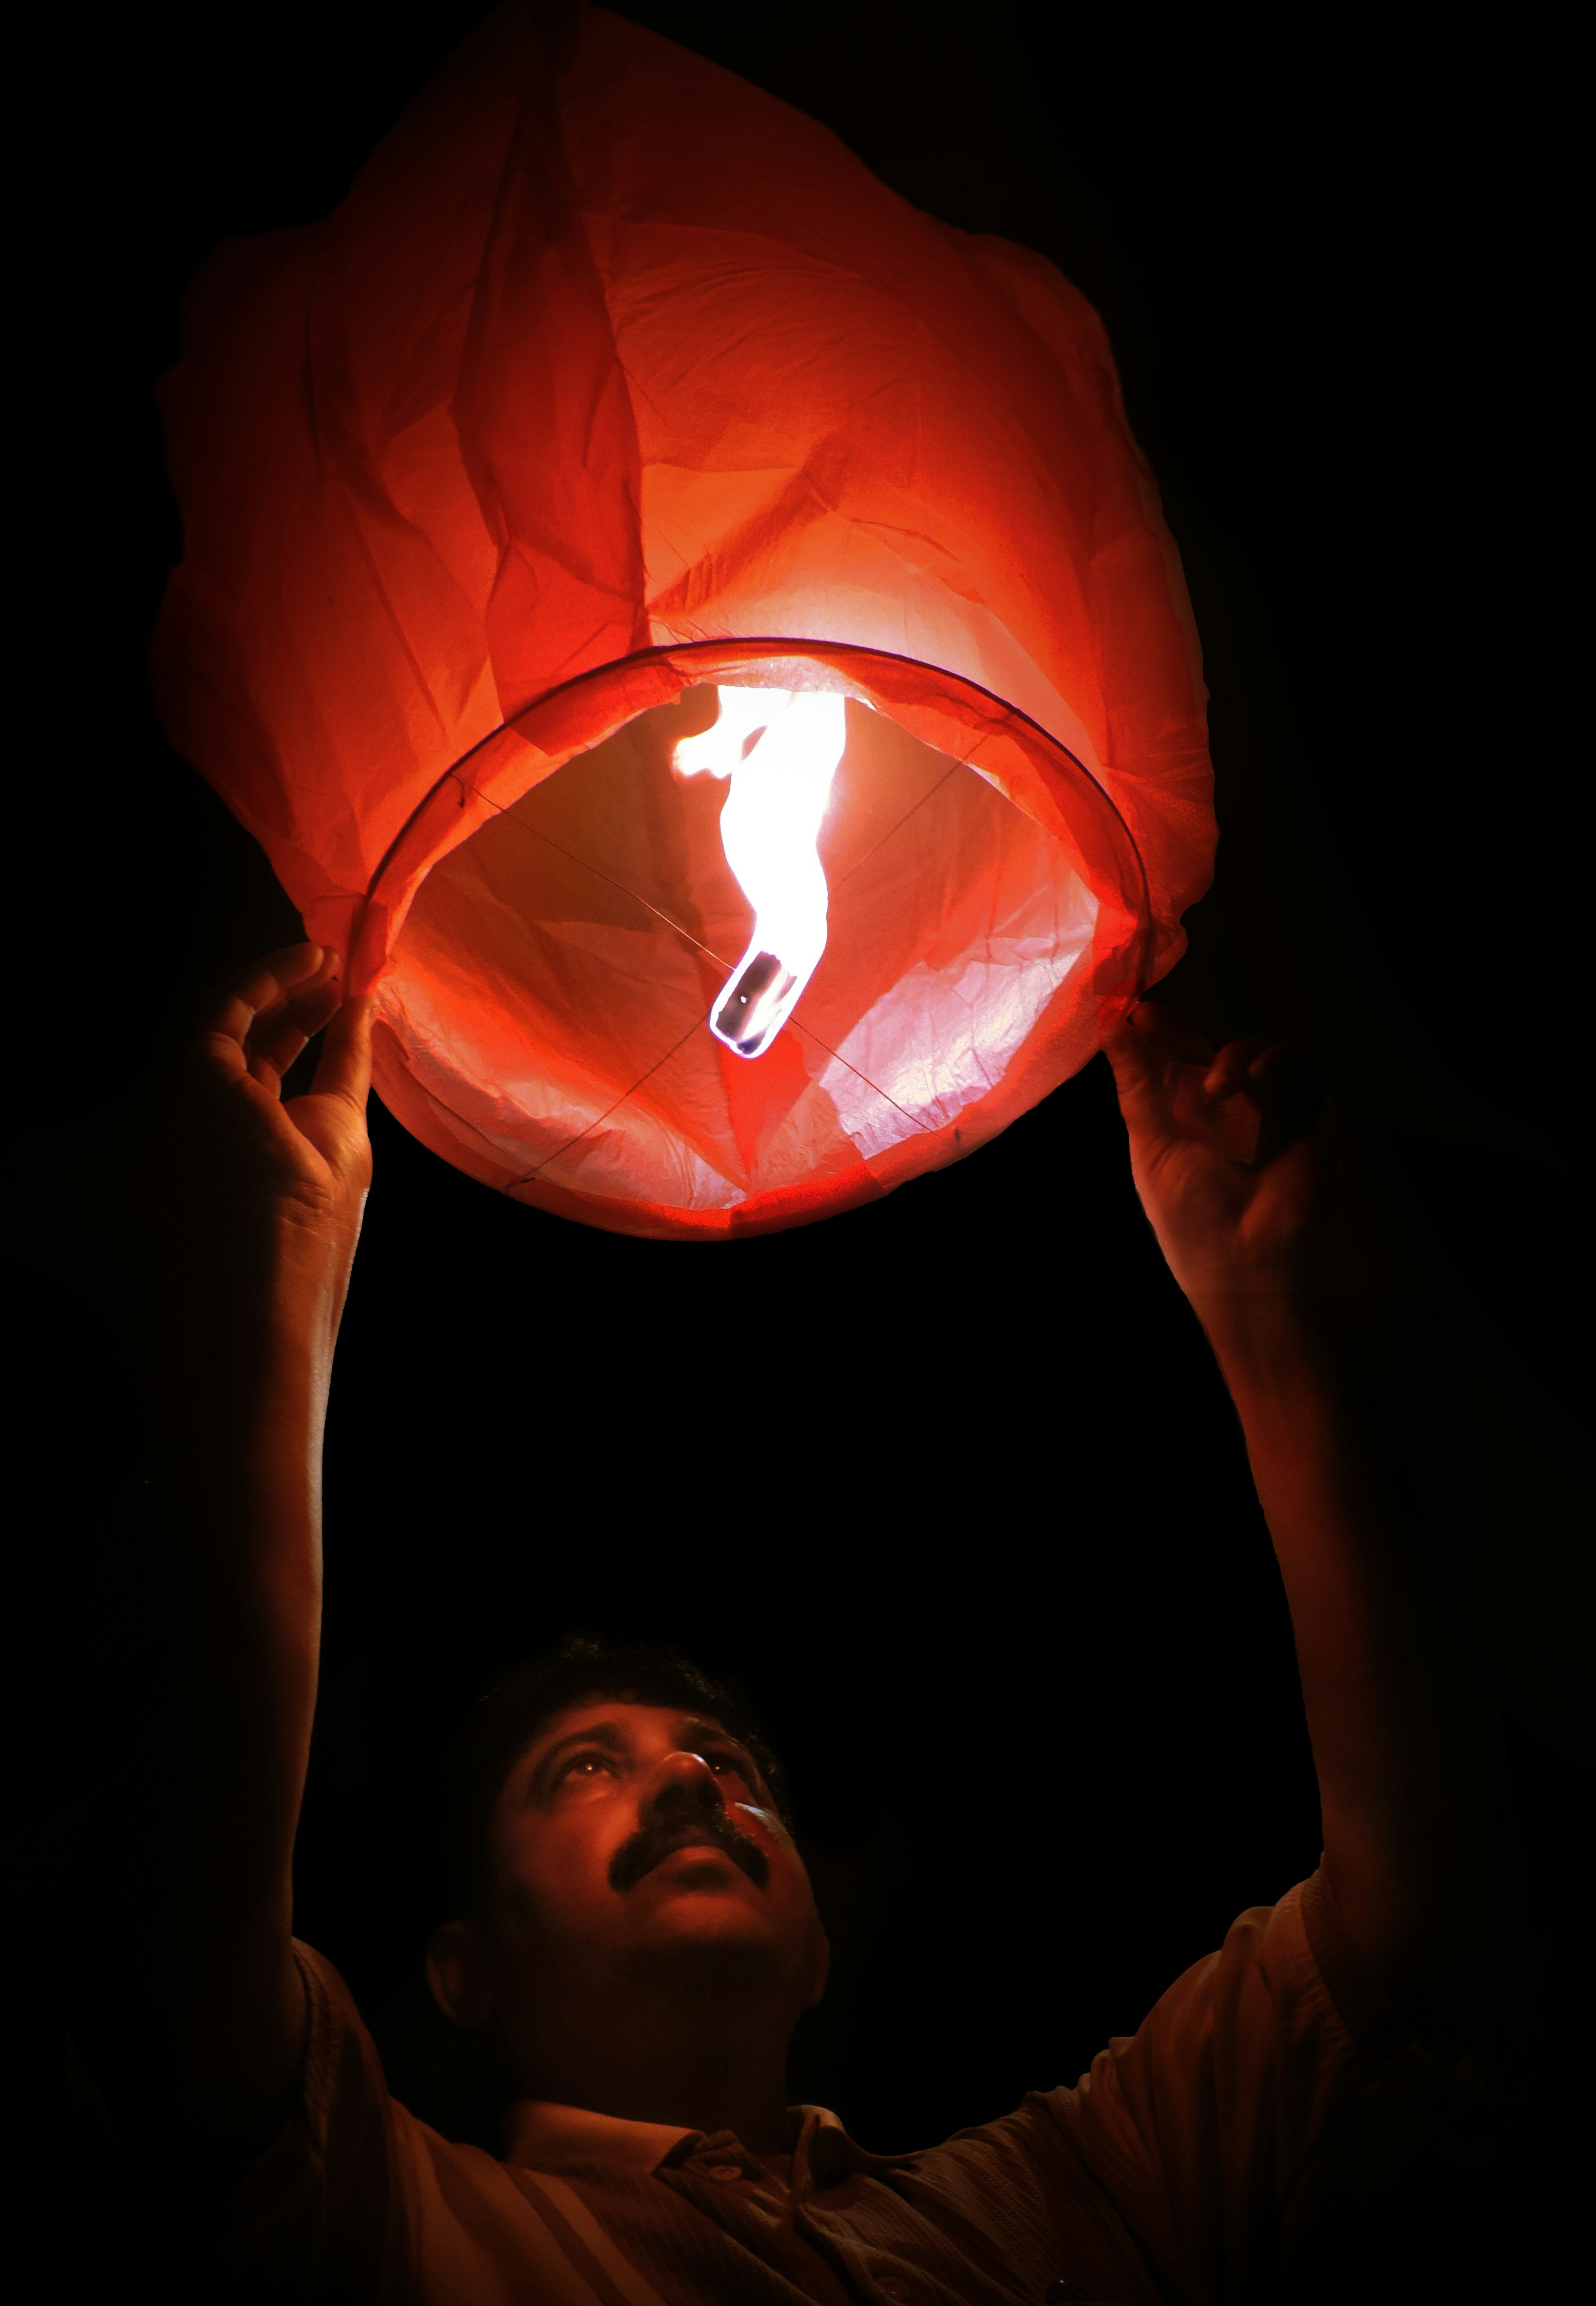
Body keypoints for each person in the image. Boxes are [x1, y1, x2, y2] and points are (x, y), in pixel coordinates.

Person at [76, 941, 1539, 2303]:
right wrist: (273, 1254)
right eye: (582, 1766)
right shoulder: (388, 2224)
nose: (700, 1779)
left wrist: (1268, 1303)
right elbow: (190, 1902)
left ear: (822, 1945)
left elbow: (1419, 1937)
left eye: (726, 1760)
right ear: (465, 1967)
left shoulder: (1083, 2192)